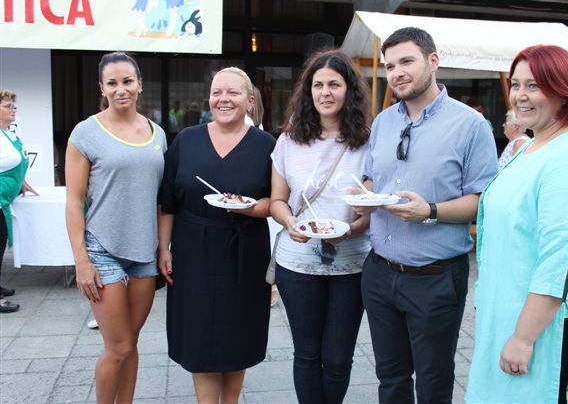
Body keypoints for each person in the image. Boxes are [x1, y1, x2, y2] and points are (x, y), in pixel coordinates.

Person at [351, 27, 498, 403]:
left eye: (406, 61)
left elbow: (484, 201)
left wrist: (429, 211)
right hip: (379, 272)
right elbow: (372, 177)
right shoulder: (383, 121)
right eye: (390, 66)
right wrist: (364, 195)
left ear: (433, 61)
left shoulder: (470, 125)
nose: (397, 72)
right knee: (390, 379)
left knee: (433, 383)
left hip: (435, 278)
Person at [466, 45, 568, 404]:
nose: (520, 95)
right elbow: (547, 232)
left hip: (540, 329)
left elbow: (559, 260)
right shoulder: (536, 145)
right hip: (513, 311)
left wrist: (523, 339)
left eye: (534, 85)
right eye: (516, 84)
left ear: (564, 91)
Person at [158, 67, 275, 403]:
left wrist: (249, 208)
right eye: (216, 92)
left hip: (245, 249)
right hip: (193, 249)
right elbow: (167, 201)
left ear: (250, 101)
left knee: (238, 333)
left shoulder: (266, 145)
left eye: (233, 92)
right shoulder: (186, 140)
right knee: (200, 335)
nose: (223, 99)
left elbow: (278, 201)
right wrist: (164, 249)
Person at [270, 50, 372, 404]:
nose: (325, 92)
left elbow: (372, 208)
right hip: (297, 263)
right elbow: (277, 200)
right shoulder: (289, 141)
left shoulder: (369, 142)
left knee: (339, 358)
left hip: (353, 264)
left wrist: (353, 228)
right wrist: (289, 221)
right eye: (318, 85)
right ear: (308, 91)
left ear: (349, 90)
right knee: (307, 354)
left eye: (334, 84)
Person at [65, 52, 167, 403]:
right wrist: (81, 261)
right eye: (112, 83)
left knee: (131, 344)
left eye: (127, 81)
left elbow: (159, 198)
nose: (121, 89)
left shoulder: (157, 133)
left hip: (144, 253)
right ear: (102, 88)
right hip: (102, 249)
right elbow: (74, 201)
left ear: (140, 84)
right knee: (118, 347)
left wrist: (163, 248)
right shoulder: (85, 133)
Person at [0, 89, 38, 313]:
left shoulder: (8, 134)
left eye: (14, 106)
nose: (13, 109)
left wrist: (22, 183)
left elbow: (13, 164)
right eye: (7, 106)